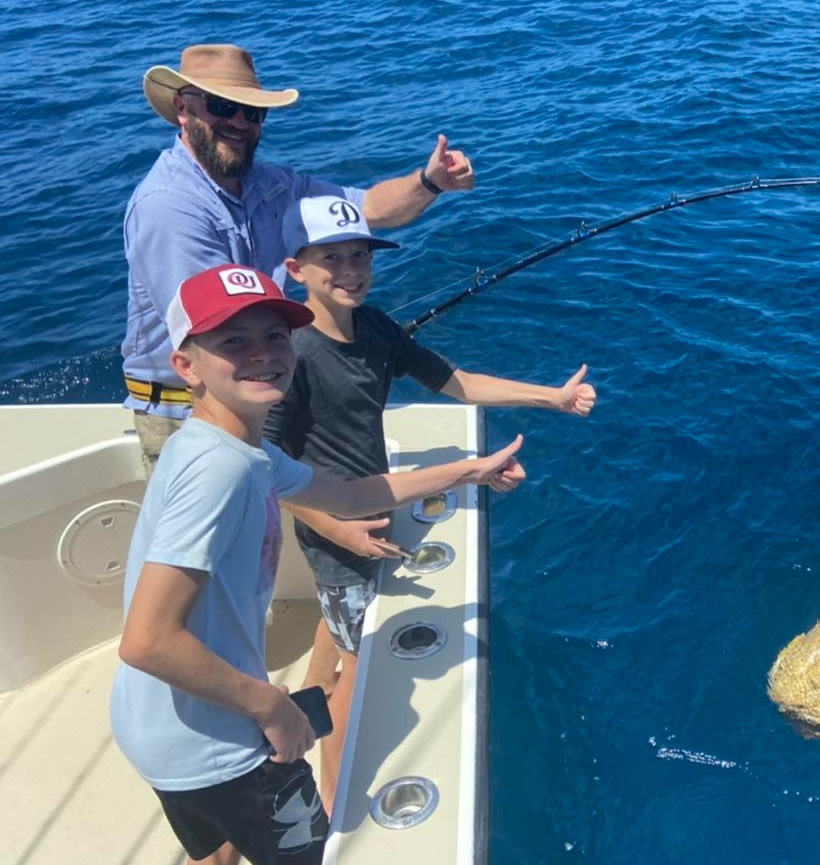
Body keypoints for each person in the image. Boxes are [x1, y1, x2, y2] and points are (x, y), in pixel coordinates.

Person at [110, 263, 525, 865]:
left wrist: (470, 471)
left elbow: (352, 496)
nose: (262, 354)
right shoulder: (219, 471)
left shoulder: (237, 447)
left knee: (217, 848)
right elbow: (147, 641)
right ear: (186, 366)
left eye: (275, 336)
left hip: (156, 726)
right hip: (216, 744)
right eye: (233, 341)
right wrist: (271, 707)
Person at [263, 195, 598, 815]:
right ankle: (333, 804)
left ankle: (307, 688)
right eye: (331, 258)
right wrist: (335, 530)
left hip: (374, 510)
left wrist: (551, 397)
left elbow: (458, 382)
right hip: (339, 533)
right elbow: (266, 470)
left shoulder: (376, 327)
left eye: (360, 255)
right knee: (358, 673)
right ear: (294, 268)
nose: (350, 270)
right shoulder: (292, 353)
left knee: (341, 623)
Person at [123, 43, 476, 471]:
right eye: (222, 107)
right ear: (183, 108)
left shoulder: (271, 183)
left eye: (253, 112)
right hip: (191, 413)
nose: (240, 122)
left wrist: (430, 182)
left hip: (254, 387)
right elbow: (213, 333)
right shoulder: (168, 206)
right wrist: (331, 350)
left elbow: (366, 208)